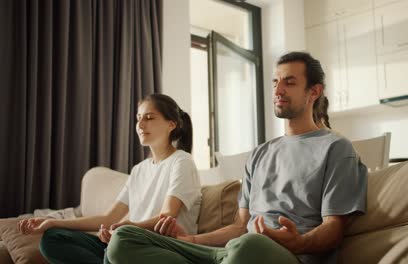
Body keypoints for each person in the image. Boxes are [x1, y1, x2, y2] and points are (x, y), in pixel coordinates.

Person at [106, 51, 368, 264]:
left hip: (286, 256)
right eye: (275, 82)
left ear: (314, 92)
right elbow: (241, 226)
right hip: (234, 252)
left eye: (290, 82)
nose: (278, 90)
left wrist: (299, 242)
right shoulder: (260, 154)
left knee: (249, 246)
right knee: (125, 238)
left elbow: (333, 229)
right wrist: (190, 241)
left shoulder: (336, 148)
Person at [17, 93, 202, 264]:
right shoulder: (139, 170)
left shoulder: (182, 161)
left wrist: (125, 229)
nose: (140, 124)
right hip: (127, 243)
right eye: (138, 118)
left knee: (119, 243)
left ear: (172, 124)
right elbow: (110, 217)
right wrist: (52, 221)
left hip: (160, 247)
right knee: (53, 238)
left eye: (149, 117)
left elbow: (167, 216)